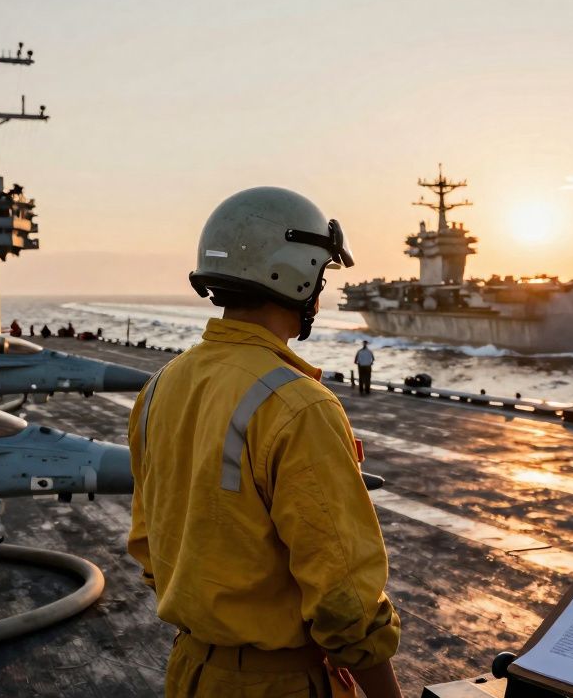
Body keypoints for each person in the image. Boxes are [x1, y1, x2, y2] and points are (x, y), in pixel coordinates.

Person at [128, 187, 401, 698]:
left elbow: (149, 546)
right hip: (280, 682)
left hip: (191, 672)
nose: (320, 291)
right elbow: (344, 600)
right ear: (293, 274)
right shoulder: (300, 405)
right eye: (320, 275)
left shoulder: (159, 387)